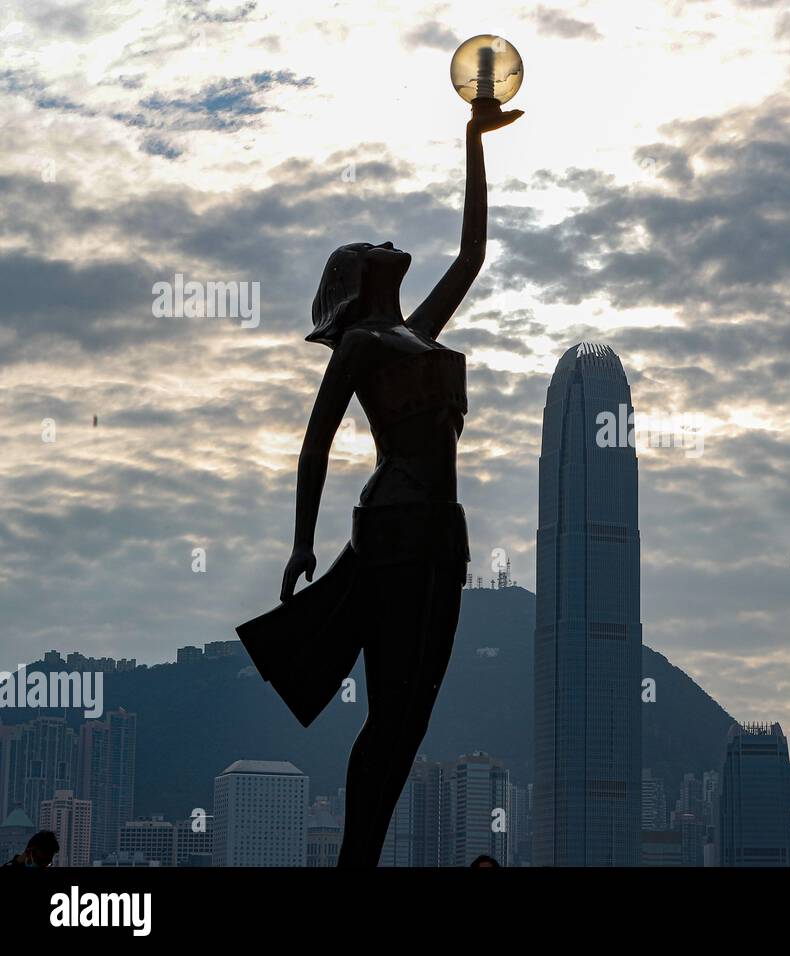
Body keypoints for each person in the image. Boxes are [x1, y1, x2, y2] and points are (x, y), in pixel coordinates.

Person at [236, 97, 523, 868]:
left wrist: (474, 141)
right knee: (392, 711)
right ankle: (355, 862)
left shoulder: (419, 330)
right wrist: (302, 541)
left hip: (441, 535)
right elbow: (314, 445)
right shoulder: (360, 345)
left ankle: (360, 856)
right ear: (358, 278)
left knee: (411, 717)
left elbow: (473, 255)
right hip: (393, 532)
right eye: (371, 244)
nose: (388, 242)